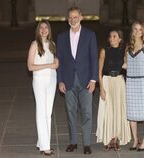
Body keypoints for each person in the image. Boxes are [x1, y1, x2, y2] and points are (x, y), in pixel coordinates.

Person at [57, 6, 98, 154]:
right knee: (70, 112)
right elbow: (59, 60)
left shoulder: (90, 35)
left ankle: (86, 144)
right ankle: (73, 142)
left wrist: (94, 80)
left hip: (86, 80)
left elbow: (94, 59)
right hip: (68, 81)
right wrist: (60, 80)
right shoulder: (61, 37)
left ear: (81, 17)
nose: (73, 20)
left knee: (87, 113)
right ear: (68, 19)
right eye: (70, 17)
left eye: (76, 17)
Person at [27, 19, 59, 156]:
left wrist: (56, 63)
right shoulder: (34, 45)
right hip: (39, 80)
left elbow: (54, 63)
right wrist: (49, 65)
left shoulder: (52, 44)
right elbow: (30, 67)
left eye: (46, 27)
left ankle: (41, 142)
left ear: (49, 30)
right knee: (41, 111)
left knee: (48, 113)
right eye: (41, 28)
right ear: (38, 30)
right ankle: (45, 146)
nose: (44, 30)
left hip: (52, 80)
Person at [96, 29, 131, 151]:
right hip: (107, 81)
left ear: (120, 39)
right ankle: (108, 138)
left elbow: (127, 65)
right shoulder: (104, 51)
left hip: (119, 82)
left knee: (118, 110)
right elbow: (99, 71)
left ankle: (115, 139)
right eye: (110, 36)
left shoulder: (124, 51)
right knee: (107, 110)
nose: (111, 38)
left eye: (114, 36)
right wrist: (101, 88)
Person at [125, 21, 144, 151]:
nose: (138, 32)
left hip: (143, 82)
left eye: (140, 29)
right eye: (135, 29)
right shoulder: (128, 47)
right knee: (132, 113)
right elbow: (125, 65)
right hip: (131, 82)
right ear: (132, 31)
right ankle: (135, 140)